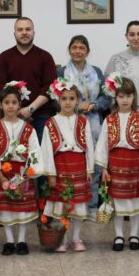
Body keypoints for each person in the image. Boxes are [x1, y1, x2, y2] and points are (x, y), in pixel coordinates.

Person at [94, 75, 139, 251]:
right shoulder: (109, 119)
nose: (125, 100)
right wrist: (104, 167)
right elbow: (102, 144)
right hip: (115, 165)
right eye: (121, 96)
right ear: (115, 97)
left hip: (134, 165)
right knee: (117, 203)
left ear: (134, 97)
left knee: (135, 203)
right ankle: (118, 235)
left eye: (129, 96)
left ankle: (134, 235)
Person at [57, 35, 110, 217]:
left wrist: (94, 105)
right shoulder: (61, 72)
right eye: (74, 47)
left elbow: (107, 97)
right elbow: (55, 98)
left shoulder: (97, 72)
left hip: (94, 124)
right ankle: (72, 207)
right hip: (69, 122)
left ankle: (92, 206)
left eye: (82, 48)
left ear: (88, 51)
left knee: (94, 165)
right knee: (73, 165)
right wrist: (75, 106)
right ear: (69, 50)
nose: (78, 51)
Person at [0, 82, 41, 255]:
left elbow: (35, 152)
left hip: (22, 173)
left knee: (22, 209)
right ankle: (9, 241)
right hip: (2, 173)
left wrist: (26, 175)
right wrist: (1, 177)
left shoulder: (28, 128)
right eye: (7, 102)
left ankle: (22, 241)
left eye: (14, 102)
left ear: (20, 105)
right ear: (0, 105)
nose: (10, 106)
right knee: (6, 209)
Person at [40, 79, 94, 253]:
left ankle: (76, 238)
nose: (68, 102)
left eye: (72, 98)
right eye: (64, 98)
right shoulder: (51, 123)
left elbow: (89, 146)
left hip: (79, 166)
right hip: (60, 166)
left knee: (78, 205)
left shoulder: (83, 121)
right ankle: (62, 238)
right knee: (61, 205)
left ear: (77, 100)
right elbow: (47, 150)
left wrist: (89, 169)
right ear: (58, 100)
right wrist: (51, 174)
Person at [0, 17, 57, 140]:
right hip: (11, 116)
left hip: (41, 116)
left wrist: (30, 109)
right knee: (11, 151)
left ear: (33, 32)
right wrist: (16, 110)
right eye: (20, 30)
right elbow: (0, 86)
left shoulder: (45, 57)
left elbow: (50, 87)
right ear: (14, 34)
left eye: (28, 29)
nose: (24, 32)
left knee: (41, 151)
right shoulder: (4, 57)